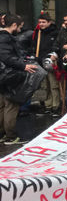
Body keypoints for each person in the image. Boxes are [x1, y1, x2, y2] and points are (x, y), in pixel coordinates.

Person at [0, 14, 37, 144]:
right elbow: (6, 57)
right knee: (11, 105)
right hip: (8, 77)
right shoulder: (5, 38)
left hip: (3, 76)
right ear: (14, 25)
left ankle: (3, 134)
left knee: (3, 105)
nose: (20, 30)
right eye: (19, 27)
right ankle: (10, 136)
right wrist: (23, 66)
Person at [31, 12, 60, 116]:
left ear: (49, 22)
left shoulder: (55, 32)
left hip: (50, 62)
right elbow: (34, 46)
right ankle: (48, 105)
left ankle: (55, 106)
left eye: (43, 22)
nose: (41, 24)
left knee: (53, 85)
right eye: (40, 22)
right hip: (40, 62)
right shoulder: (38, 33)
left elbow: (57, 46)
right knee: (45, 86)